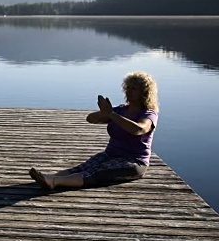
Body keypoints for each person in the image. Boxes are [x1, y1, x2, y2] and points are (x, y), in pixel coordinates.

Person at [29, 71, 159, 189]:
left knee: (95, 173)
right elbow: (90, 119)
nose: (129, 91)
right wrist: (104, 113)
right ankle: (48, 177)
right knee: (82, 168)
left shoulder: (148, 113)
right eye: (128, 88)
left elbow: (139, 129)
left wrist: (112, 115)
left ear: (144, 92)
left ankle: (54, 182)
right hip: (110, 155)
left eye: (134, 89)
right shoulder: (121, 109)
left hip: (133, 162)